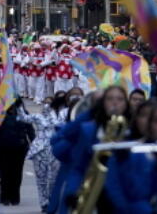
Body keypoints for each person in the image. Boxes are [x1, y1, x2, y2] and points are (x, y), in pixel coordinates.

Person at [49, 85, 129, 214]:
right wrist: (72, 192)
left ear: (126, 103)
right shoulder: (88, 129)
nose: (115, 103)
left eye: (120, 99)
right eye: (109, 99)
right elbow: (77, 167)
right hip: (94, 193)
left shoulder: (132, 130)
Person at [16, 92, 66, 206]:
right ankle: (43, 202)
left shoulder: (60, 116)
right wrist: (19, 105)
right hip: (39, 150)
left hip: (54, 149)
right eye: (45, 103)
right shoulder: (37, 117)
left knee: (52, 178)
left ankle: (51, 199)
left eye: (49, 103)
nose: (47, 105)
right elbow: (23, 118)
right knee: (41, 179)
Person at [0, 100, 33, 206]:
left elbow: (30, 130)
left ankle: (15, 197)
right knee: (5, 173)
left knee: (17, 173)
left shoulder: (23, 113)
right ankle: (4, 197)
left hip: (19, 148)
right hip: (4, 148)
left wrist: (34, 144)